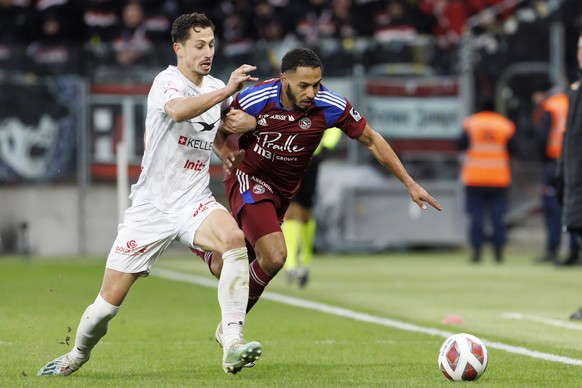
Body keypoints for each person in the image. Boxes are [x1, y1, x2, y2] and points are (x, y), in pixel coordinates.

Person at [37, 12, 262, 376]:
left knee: (235, 239)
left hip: (193, 200)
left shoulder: (214, 86)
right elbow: (178, 112)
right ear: (178, 48)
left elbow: (214, 125)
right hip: (151, 208)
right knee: (105, 308)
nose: (208, 53)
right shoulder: (167, 82)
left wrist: (225, 147)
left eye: (212, 45)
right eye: (199, 46)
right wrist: (228, 91)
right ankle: (75, 356)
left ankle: (232, 341)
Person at [192, 48, 442, 333]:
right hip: (250, 178)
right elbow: (217, 124)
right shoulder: (255, 97)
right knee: (274, 256)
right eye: (303, 85)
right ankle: (230, 327)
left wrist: (409, 183)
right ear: (283, 79)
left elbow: (371, 140)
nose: (311, 92)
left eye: (316, 84)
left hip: (284, 191)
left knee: (226, 265)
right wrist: (225, 151)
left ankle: (203, 252)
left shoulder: (330, 105)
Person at [456, 101, 518, 263]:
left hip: (475, 178)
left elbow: (460, 144)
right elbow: (514, 148)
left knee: (476, 216)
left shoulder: (471, 123)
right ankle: (498, 253)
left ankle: (477, 253)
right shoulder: (505, 125)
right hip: (498, 178)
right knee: (498, 217)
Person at [282, 127, 342, 288]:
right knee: (291, 210)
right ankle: (291, 264)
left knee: (305, 214)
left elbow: (335, 124)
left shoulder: (319, 103)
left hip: (310, 159)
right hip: (288, 157)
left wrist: (325, 146)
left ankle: (305, 261)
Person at [533, 89, 579, 265]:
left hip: (555, 163)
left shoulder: (551, 106)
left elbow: (543, 137)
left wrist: (545, 162)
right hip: (576, 162)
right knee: (576, 206)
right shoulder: (575, 103)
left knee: (553, 207)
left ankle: (553, 249)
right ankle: (575, 251)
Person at [557, 32, 582, 319]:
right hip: (576, 180)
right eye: (578, 48)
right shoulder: (576, 89)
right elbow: (568, 138)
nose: (580, 53)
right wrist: (563, 173)